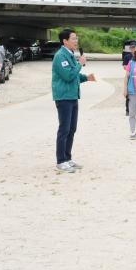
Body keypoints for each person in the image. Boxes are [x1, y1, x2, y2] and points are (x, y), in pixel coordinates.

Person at [52, 28, 96, 173]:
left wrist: (86, 78)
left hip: (72, 96)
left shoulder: (70, 54)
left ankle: (68, 158)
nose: (76, 41)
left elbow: (75, 76)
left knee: (72, 129)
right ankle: (60, 161)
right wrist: (80, 64)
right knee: (64, 129)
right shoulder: (60, 56)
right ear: (65, 41)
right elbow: (68, 76)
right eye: (73, 39)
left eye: (76, 38)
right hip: (63, 97)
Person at [122, 42, 135, 116]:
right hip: (129, 76)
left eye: (134, 48)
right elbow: (124, 66)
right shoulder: (127, 57)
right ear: (130, 49)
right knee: (128, 94)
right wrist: (131, 68)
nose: (133, 49)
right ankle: (127, 110)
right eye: (132, 48)